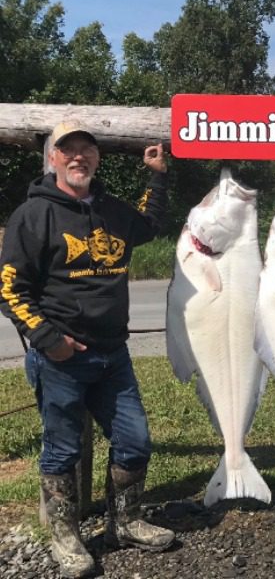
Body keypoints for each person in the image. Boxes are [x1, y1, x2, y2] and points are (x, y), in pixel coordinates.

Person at [0, 120, 176, 578]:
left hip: (112, 354)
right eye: (68, 150)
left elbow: (150, 224)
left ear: (96, 159)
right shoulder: (32, 215)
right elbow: (10, 290)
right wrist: (49, 340)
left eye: (87, 150)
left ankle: (126, 521)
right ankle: (65, 535)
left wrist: (158, 175)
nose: (79, 157)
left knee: (135, 440)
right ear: (53, 158)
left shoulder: (114, 211)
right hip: (60, 358)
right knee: (61, 450)